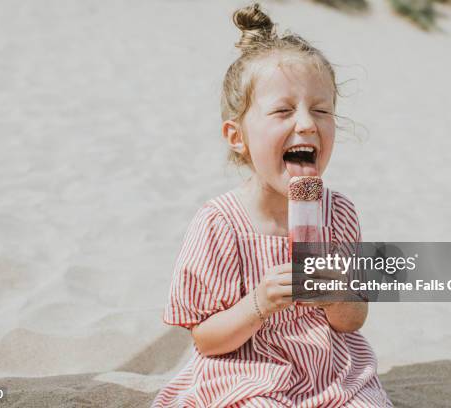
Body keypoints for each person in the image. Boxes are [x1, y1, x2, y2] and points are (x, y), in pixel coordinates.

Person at [152, 3, 392, 407]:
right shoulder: (219, 223)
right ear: (237, 136)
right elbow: (206, 339)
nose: (306, 124)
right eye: (283, 111)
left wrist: (337, 296)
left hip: (331, 371)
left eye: (321, 110)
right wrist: (259, 302)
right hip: (247, 372)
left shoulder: (341, 215)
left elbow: (353, 321)